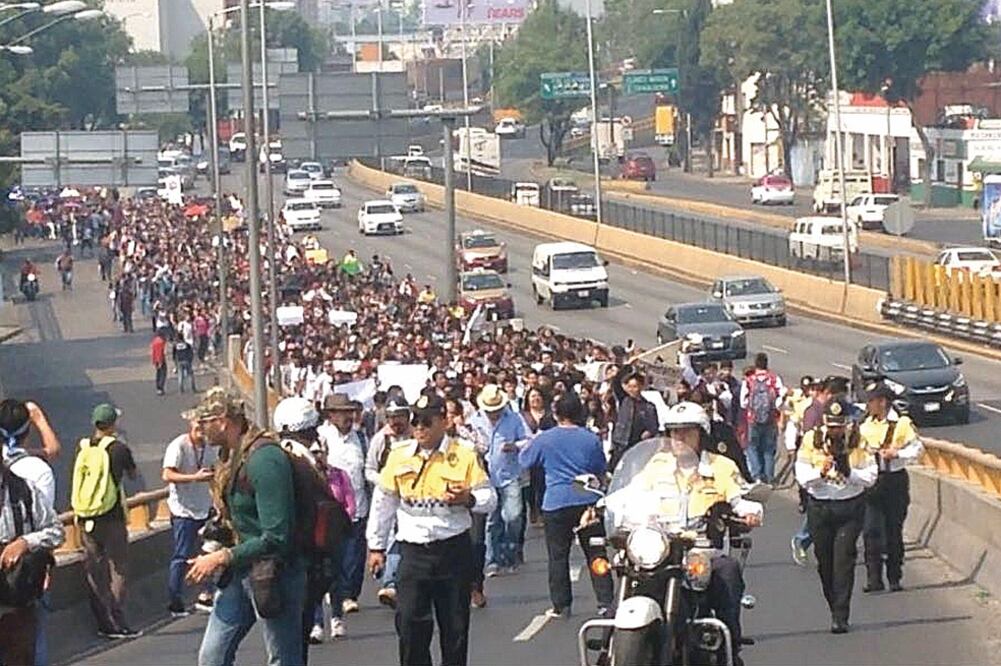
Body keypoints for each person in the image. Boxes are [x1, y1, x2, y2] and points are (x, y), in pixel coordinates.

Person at [603, 402, 762, 663]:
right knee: (627, 576)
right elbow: (629, 494)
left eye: (687, 431)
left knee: (728, 571)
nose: (680, 437)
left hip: (702, 550)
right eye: (674, 431)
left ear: (702, 434)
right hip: (658, 547)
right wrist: (602, 506)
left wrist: (749, 511)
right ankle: (607, 646)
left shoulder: (721, 466)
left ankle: (729, 647)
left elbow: (740, 498)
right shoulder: (655, 464)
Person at [366, 394, 497, 666]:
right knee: (409, 624)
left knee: (455, 629)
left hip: (452, 550)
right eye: (415, 421)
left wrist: (468, 499)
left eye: (427, 422)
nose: (419, 428)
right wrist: (376, 546)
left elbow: (489, 498)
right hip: (414, 553)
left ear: (444, 421)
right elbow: (383, 503)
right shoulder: (399, 455)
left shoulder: (463, 454)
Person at [185, 388, 305, 666]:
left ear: (222, 421)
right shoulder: (229, 457)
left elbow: (277, 535)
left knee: (283, 658)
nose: (199, 429)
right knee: (212, 658)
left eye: (204, 422)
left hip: (276, 573)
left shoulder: (264, 460)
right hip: (240, 570)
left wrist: (222, 556)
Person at [518, 392, 614, 618]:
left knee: (558, 556)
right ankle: (605, 601)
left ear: (556, 414)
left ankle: (561, 605)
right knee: (596, 552)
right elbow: (600, 467)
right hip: (587, 500)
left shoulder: (545, 439)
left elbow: (525, 460)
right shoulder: (590, 438)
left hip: (556, 500)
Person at [795, 398, 877, 634]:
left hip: (849, 506)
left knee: (844, 560)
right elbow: (802, 475)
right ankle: (834, 604)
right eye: (831, 426)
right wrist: (820, 473)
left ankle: (841, 615)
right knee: (825, 562)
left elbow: (871, 476)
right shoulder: (812, 439)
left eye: (839, 425)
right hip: (820, 506)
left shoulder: (859, 441)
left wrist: (849, 472)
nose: (835, 431)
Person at [71, 403, 141, 639]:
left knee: (94, 568)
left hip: (85, 517)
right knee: (118, 567)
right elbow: (133, 475)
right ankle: (117, 619)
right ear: (113, 424)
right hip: (112, 516)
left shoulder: (83, 447)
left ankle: (102, 621)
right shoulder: (118, 448)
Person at [0, 399, 61, 666]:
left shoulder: (23, 491)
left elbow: (55, 530)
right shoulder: (38, 469)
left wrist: (25, 542)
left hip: (15, 596)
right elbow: (54, 450)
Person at [859, 381, 923, 593]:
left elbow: (918, 449)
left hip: (894, 481)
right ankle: (873, 579)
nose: (868, 405)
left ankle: (894, 577)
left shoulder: (902, 424)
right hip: (872, 480)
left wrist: (897, 454)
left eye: (871, 401)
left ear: (883, 402)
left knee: (893, 531)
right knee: (870, 531)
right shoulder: (864, 425)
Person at [317, 393, 369, 639]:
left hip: (357, 504)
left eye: (350, 412)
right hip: (329, 511)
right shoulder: (321, 437)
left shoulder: (361, 438)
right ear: (331, 415)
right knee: (331, 562)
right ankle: (331, 605)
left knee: (355, 553)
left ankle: (349, 595)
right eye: (342, 412)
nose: (348, 417)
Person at [469, 384, 528, 576]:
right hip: (485, 476)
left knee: (513, 516)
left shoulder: (514, 418)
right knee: (492, 520)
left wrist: (515, 445)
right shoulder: (475, 420)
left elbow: (528, 439)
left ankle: (510, 553)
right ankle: (492, 559)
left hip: (510, 474)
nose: (493, 413)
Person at [161, 417, 217, 617]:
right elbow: (167, 475)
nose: (201, 429)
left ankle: (206, 595)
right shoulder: (178, 446)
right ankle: (175, 601)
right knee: (181, 555)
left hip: (205, 507)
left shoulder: (210, 446)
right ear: (191, 426)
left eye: (204, 425)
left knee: (209, 552)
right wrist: (194, 477)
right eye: (197, 425)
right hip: (183, 511)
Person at [364, 396, 412, 608]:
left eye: (400, 416)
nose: (395, 422)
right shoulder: (380, 440)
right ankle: (390, 583)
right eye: (392, 417)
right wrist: (386, 481)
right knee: (391, 537)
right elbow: (369, 470)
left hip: (412, 496)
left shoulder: (416, 437)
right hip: (387, 496)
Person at [740, 352, 784, 483]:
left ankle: (757, 475)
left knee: (752, 447)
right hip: (770, 419)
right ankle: (769, 477)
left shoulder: (749, 380)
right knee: (768, 449)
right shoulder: (774, 379)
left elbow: (743, 403)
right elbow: (781, 398)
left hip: (753, 420)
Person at [608, 365, 659, 471]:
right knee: (615, 469)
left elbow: (654, 426)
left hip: (637, 445)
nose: (631, 389)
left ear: (640, 387)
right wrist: (628, 365)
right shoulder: (624, 400)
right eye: (629, 386)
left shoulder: (648, 406)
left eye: (634, 386)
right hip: (622, 442)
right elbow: (616, 383)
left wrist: (649, 432)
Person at [151, 331, 168, 396]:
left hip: (155, 359)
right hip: (161, 359)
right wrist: (160, 361)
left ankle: (158, 387)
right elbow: (161, 352)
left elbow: (153, 352)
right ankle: (161, 388)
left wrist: (154, 361)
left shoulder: (154, 341)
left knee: (158, 373)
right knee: (163, 374)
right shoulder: (161, 342)